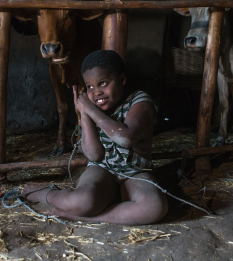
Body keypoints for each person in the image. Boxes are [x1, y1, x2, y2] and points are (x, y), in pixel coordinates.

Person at [21, 49, 168, 225]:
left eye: (103, 83)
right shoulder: (91, 109)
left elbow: (126, 139)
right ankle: (46, 193)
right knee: (83, 201)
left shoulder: (140, 101)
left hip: (134, 173)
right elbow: (94, 155)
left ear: (122, 79)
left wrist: (90, 109)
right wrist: (84, 113)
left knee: (154, 207)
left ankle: (83, 216)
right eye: (90, 87)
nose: (96, 92)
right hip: (102, 169)